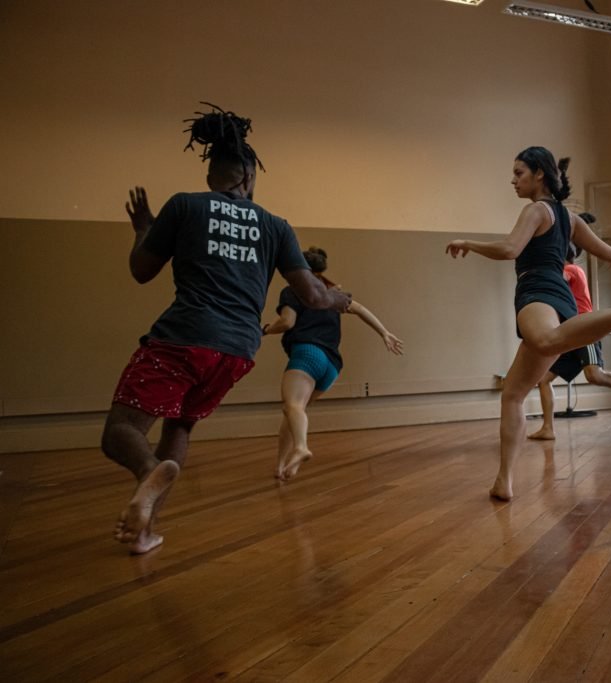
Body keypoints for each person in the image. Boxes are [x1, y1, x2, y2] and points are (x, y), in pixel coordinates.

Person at [101, 104, 352, 554]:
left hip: (182, 339)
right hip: (237, 351)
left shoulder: (185, 206)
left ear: (212, 175)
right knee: (179, 427)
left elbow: (142, 270)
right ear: (250, 177)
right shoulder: (275, 225)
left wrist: (143, 229)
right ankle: (146, 530)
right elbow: (315, 296)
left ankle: (145, 472)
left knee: (121, 430)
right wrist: (341, 299)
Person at [445, 147, 611, 500]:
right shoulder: (570, 219)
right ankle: (504, 480)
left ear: (539, 175)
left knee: (546, 341)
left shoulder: (535, 210)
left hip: (537, 290)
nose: (513, 180)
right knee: (514, 393)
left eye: (519, 173)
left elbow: (510, 249)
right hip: (561, 297)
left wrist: (468, 242)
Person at [262, 246, 403, 480]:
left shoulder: (293, 291)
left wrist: (265, 330)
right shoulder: (331, 293)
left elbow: (287, 322)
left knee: (292, 407)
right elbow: (360, 309)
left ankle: (301, 447)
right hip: (331, 367)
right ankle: (281, 467)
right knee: (295, 411)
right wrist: (384, 332)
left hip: (308, 354)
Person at [528, 219, 611, 442]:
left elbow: (559, 280)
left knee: (595, 375)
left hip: (585, 328)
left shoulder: (572, 270)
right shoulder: (566, 269)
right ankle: (548, 428)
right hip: (569, 332)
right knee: (543, 379)